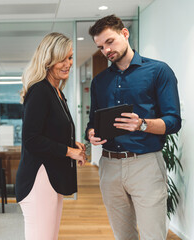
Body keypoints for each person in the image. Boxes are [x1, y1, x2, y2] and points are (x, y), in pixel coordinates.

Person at [86, 15, 181, 240]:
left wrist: (142, 124)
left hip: (145, 164)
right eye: (101, 47)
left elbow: (173, 121)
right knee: (123, 236)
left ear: (125, 34)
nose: (106, 50)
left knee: (152, 235)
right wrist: (91, 133)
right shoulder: (99, 82)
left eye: (109, 42)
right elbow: (92, 122)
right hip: (109, 166)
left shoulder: (159, 71)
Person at [15, 32, 87, 240]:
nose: (68, 64)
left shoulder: (57, 92)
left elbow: (49, 131)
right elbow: (31, 139)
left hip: (51, 177)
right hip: (38, 178)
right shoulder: (39, 91)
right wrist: (69, 151)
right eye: (62, 59)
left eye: (70, 57)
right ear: (48, 60)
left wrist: (72, 143)